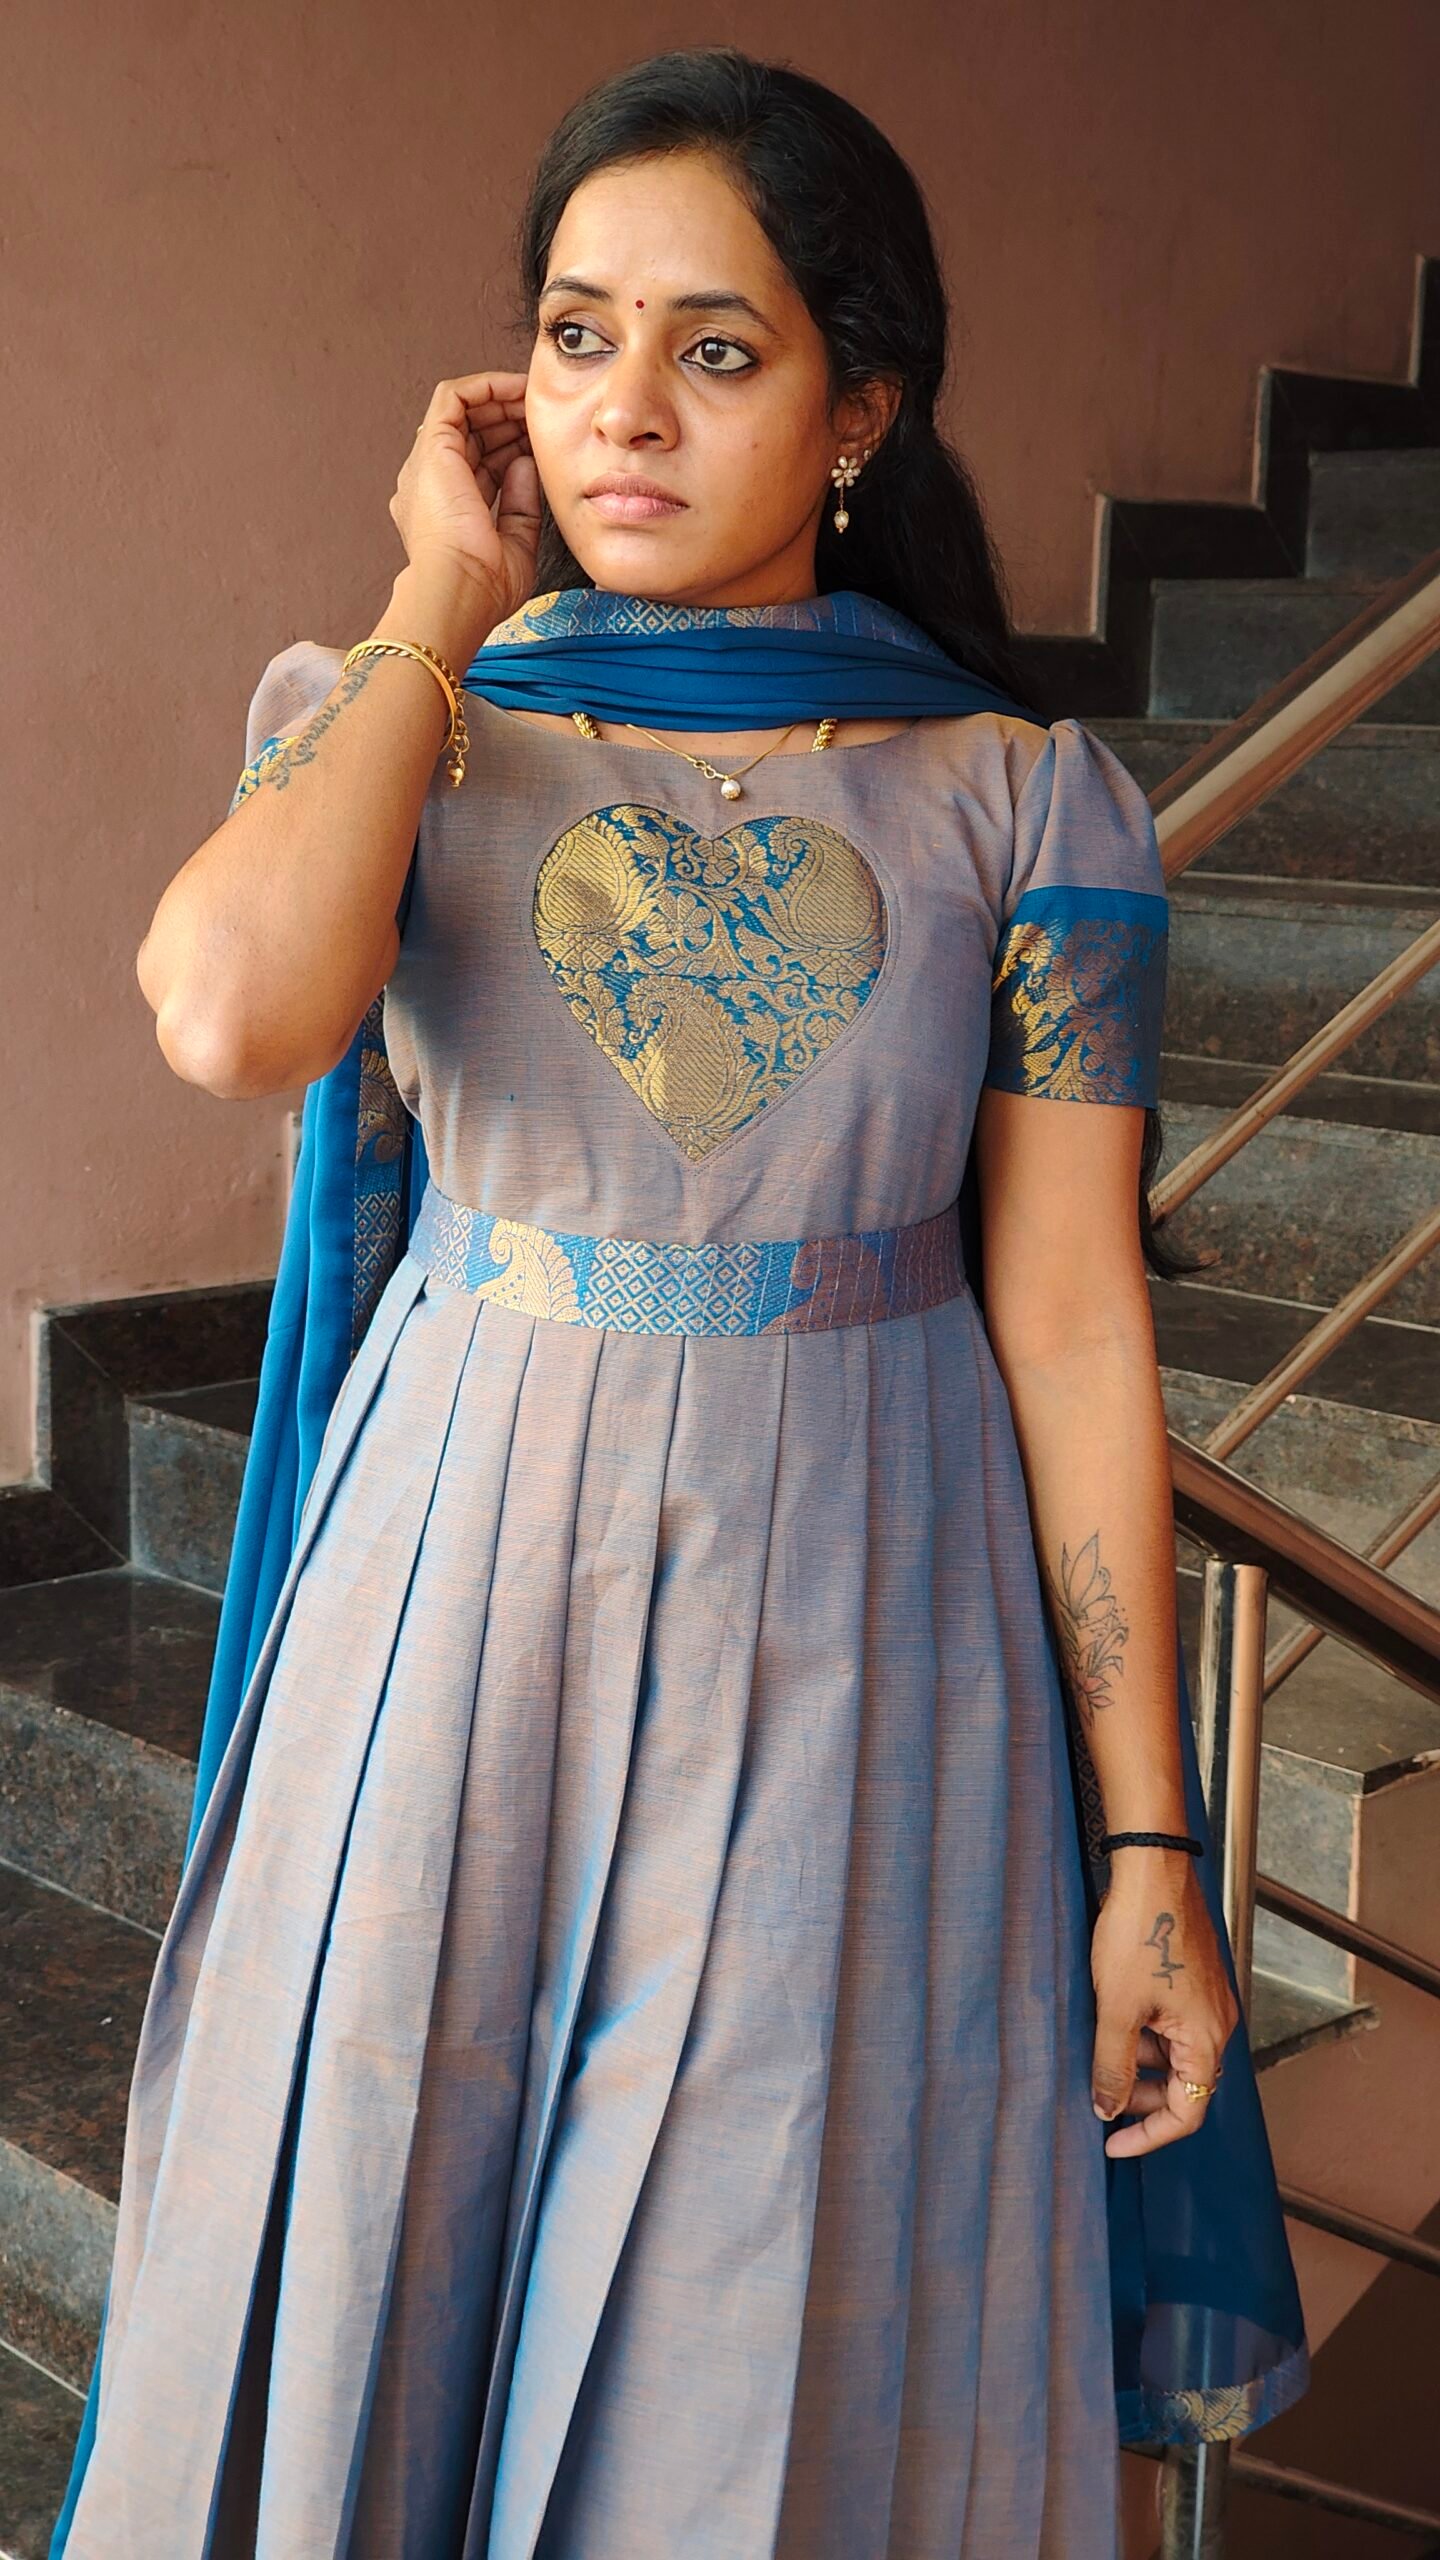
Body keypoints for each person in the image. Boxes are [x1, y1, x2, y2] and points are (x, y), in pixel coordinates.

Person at [50, 45, 1307, 2560]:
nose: (626, 406)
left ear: (861, 409)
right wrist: (436, 599)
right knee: (381, 2212)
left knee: (760, 2334)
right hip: (451, 1612)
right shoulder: (408, 722)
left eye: (716, 349)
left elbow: (1072, 1318)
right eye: (576, 332)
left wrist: (1149, 1837)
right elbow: (228, 1013)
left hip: (869, 1627)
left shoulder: (1018, 800)